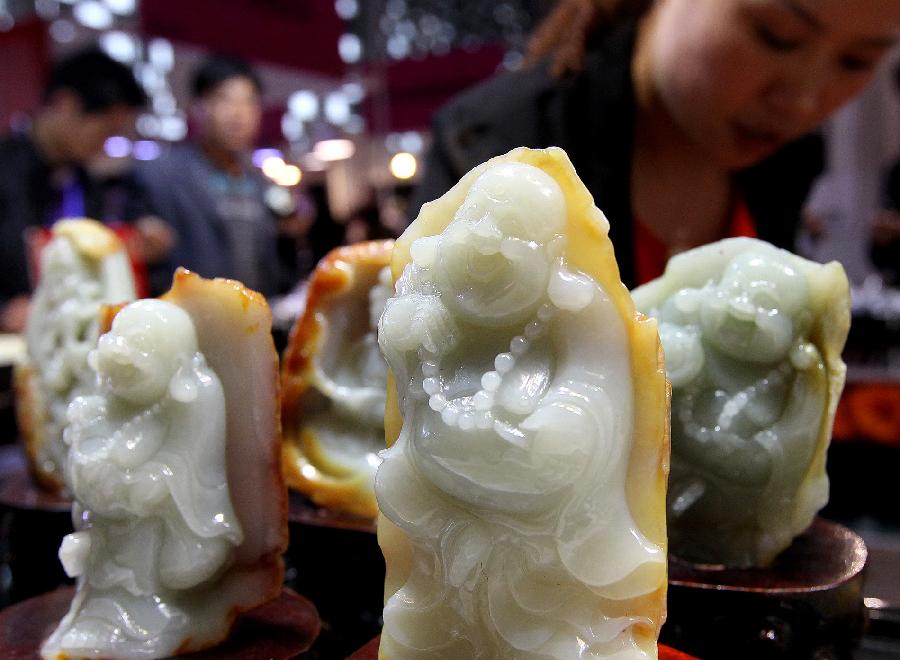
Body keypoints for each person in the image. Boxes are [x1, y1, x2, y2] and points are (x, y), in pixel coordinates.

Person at [410, 0, 900, 288]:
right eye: (777, 36)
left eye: (856, 61)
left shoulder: (785, 164)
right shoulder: (491, 155)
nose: (803, 100)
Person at [0, 48, 146, 333]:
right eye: (105, 131)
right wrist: (3, 311)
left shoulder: (85, 182)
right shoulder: (6, 170)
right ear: (65, 104)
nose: (104, 145)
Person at [128, 55, 295, 297]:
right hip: (190, 323)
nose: (238, 114)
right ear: (199, 107)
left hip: (254, 318)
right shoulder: (160, 176)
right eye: (225, 100)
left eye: (249, 102)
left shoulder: (257, 181)